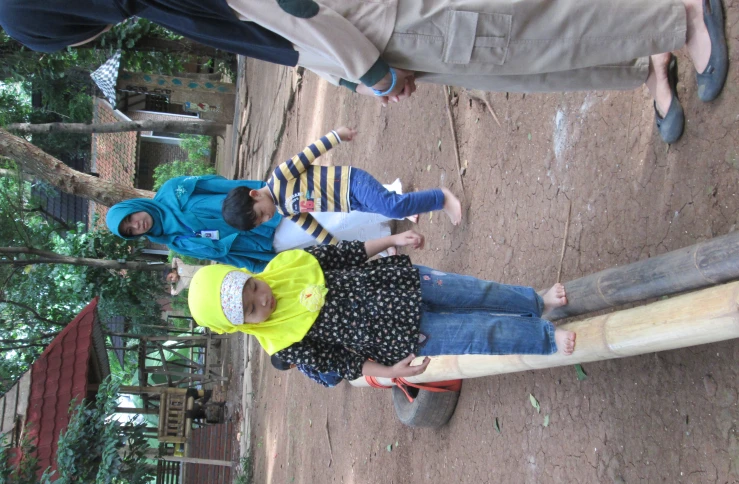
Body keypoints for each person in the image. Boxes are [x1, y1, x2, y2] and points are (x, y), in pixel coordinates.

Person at [0, 0, 727, 144]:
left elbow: (281, 7)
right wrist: (354, 75)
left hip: (374, 20)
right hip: (363, 37)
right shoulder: (149, 1)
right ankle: (645, 64)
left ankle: (682, 18)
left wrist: (367, 69)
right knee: (519, 63)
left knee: (515, 34)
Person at [187, 230, 576, 385]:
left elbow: (345, 254)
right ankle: (544, 337)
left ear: (246, 274)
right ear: (243, 326)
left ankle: (536, 301)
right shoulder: (283, 345)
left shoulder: (286, 266)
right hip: (401, 336)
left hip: (401, 283)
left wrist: (392, 238)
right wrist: (390, 371)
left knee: (477, 292)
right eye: (252, 309)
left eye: (253, 287)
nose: (263, 298)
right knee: (478, 334)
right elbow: (343, 363)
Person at [221, 126, 462, 245]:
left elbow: (308, 154)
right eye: (261, 222)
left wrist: (336, 135)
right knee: (389, 205)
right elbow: (311, 226)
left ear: (254, 194)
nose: (266, 218)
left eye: (261, 214)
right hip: (350, 203)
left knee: (392, 208)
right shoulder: (285, 210)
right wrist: (335, 244)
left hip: (351, 183)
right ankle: (414, 203)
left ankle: (441, 198)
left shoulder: (280, 176)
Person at [105, 175, 393, 272]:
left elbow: (223, 186)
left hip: (264, 210)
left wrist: (263, 192)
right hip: (260, 243)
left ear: (133, 207)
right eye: (130, 231)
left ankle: (390, 200)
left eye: (130, 218)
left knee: (323, 211)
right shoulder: (174, 242)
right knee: (321, 237)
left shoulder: (174, 190)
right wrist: (259, 267)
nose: (136, 225)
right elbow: (226, 256)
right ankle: (380, 230)